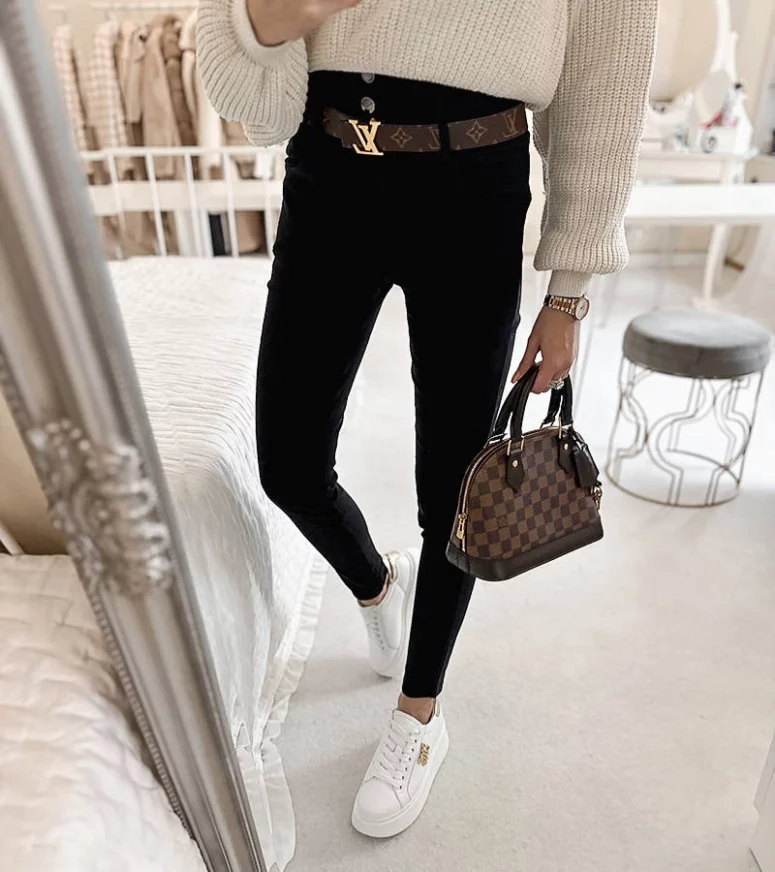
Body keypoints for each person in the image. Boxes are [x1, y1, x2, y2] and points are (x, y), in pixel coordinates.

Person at [198, 0, 658, 839]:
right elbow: (247, 94)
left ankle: (419, 714)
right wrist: (276, 18)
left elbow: (605, 83)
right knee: (287, 462)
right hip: (329, 167)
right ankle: (376, 583)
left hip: (474, 189)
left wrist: (567, 292)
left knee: (453, 484)